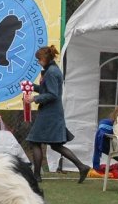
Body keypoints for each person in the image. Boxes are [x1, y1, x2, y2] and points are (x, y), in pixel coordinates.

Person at [24, 45, 90, 183]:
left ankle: (36, 176)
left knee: (34, 141)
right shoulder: (51, 70)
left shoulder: (52, 72)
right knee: (56, 145)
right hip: (52, 112)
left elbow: (52, 94)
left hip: (50, 113)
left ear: (44, 58)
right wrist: (31, 86)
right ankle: (82, 167)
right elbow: (45, 89)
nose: (38, 62)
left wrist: (34, 98)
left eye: (39, 59)